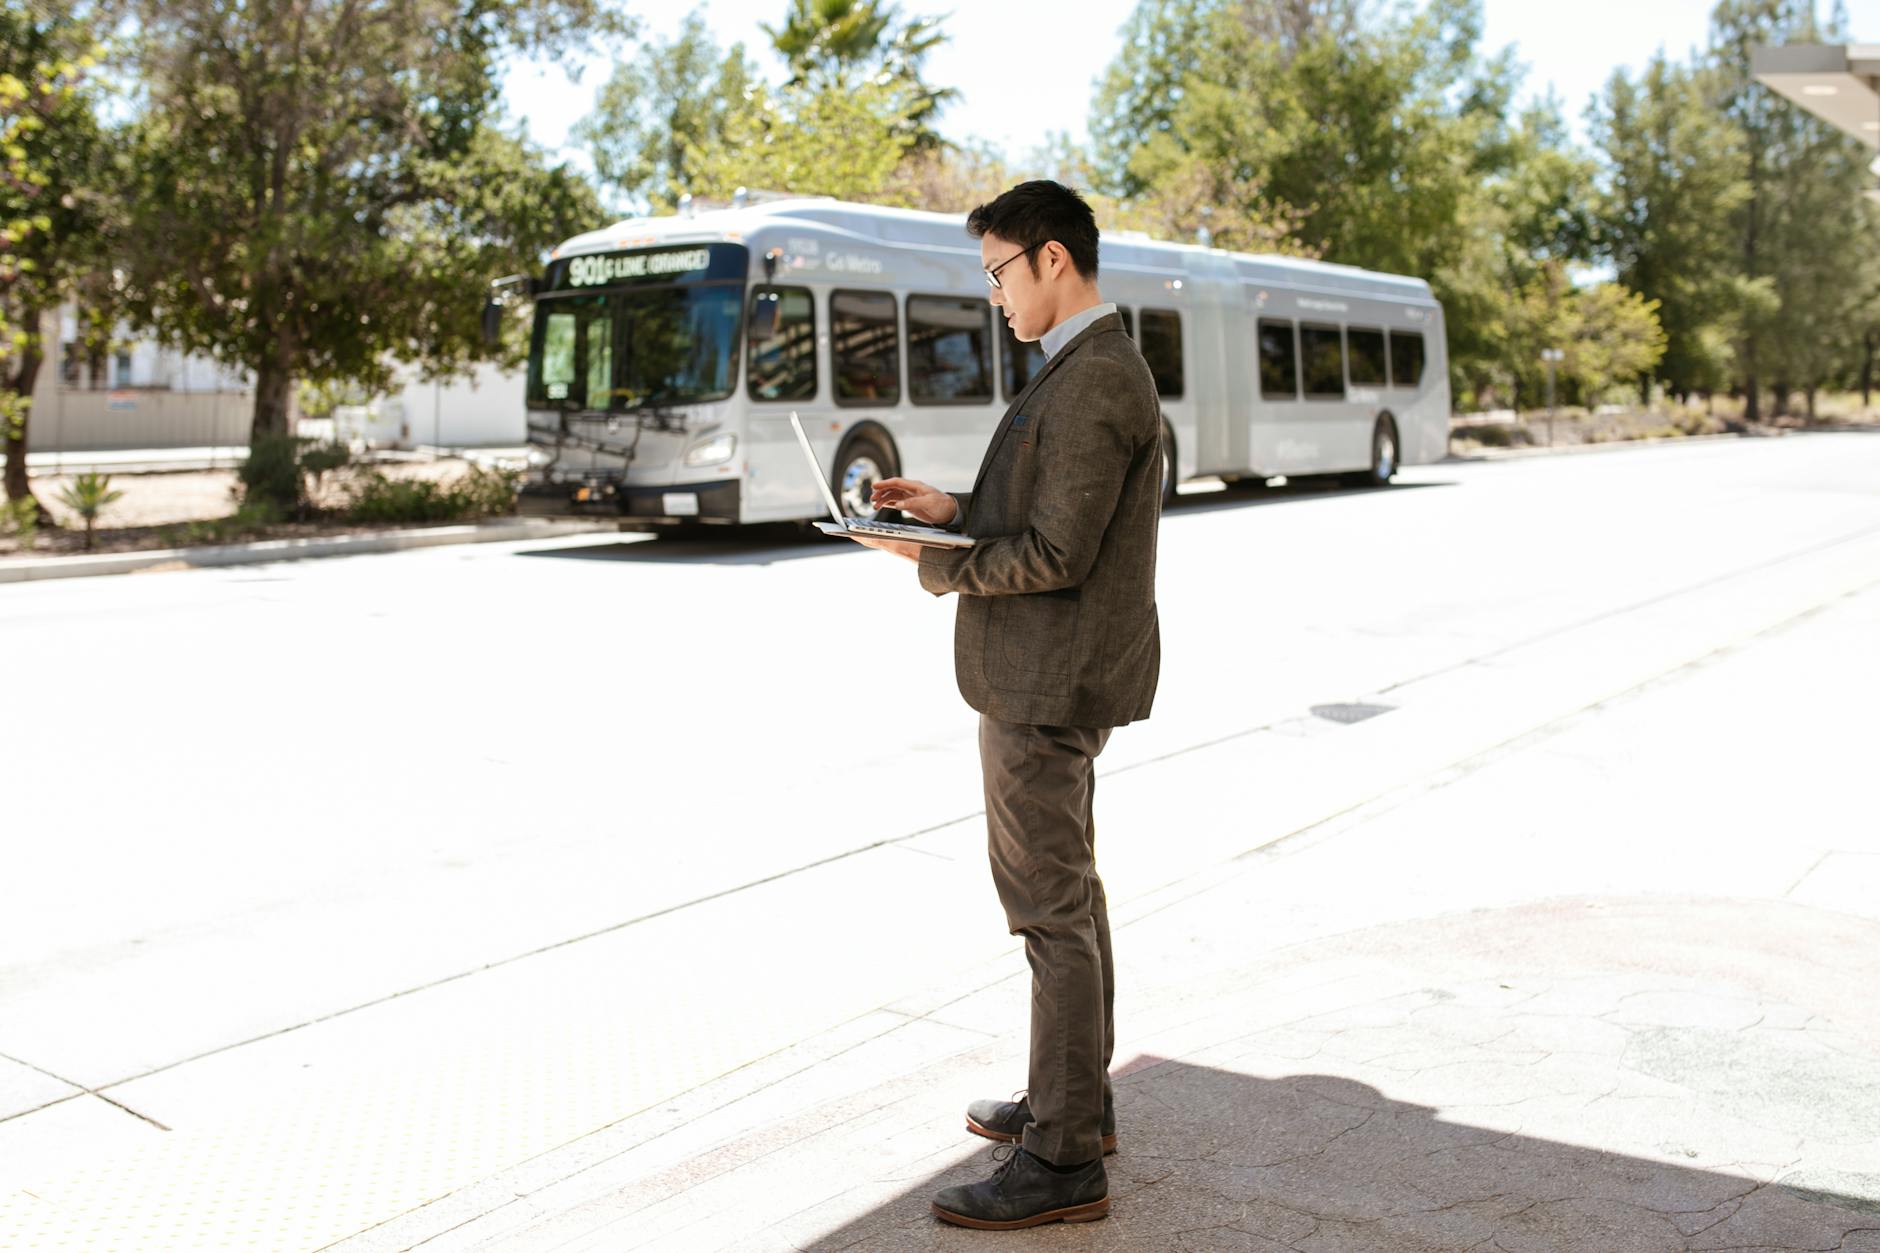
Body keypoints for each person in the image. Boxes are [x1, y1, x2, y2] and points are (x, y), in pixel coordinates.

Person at [847, 179, 1163, 1230]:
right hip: (1051, 672)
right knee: (1071, 895)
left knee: (1047, 912)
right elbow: (1040, 512)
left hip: (1044, 679)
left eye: (997, 272)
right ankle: (1078, 1098)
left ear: (1052, 261)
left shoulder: (1092, 379)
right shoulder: (1081, 370)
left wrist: (934, 562)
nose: (992, 295)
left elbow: (1056, 553)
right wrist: (950, 509)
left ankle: (1065, 1154)